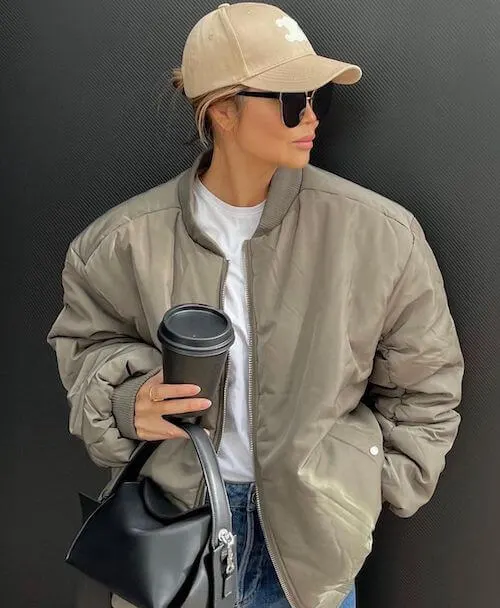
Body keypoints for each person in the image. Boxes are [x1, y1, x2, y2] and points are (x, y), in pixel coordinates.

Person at [47, 3, 464, 608]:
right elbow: (85, 349)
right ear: (222, 108)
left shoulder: (380, 235)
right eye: (293, 100)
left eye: (316, 98)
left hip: (310, 547)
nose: (313, 117)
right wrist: (122, 399)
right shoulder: (119, 243)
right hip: (171, 532)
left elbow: (428, 383)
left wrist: (358, 491)